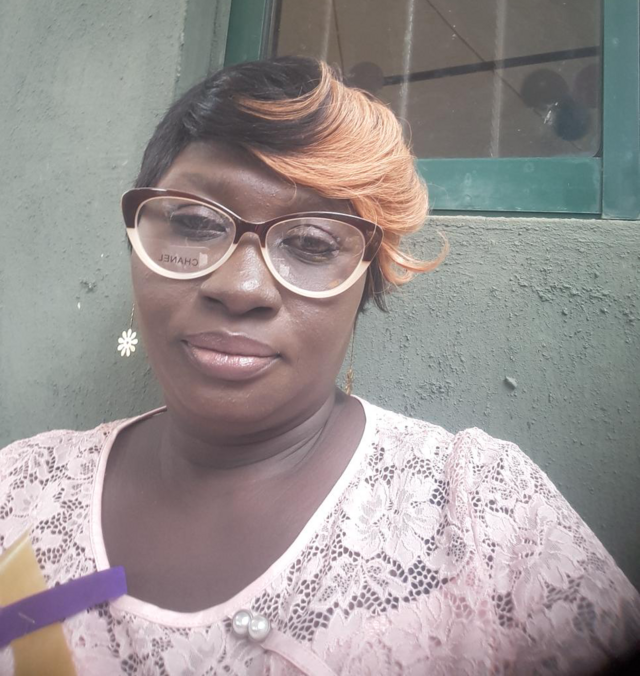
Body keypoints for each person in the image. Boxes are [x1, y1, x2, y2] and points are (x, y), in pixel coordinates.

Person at [0, 56, 638, 676]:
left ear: (366, 283)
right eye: (194, 223)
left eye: (309, 243)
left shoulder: (485, 517)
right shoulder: (19, 491)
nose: (241, 287)